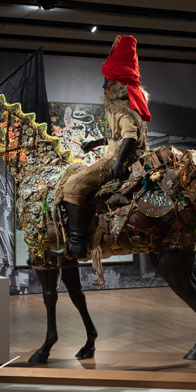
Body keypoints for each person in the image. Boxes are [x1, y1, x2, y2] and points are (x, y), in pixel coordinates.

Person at [50, 35, 151, 259]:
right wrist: (95, 143)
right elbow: (119, 135)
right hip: (121, 153)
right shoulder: (130, 101)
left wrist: (118, 161)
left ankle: (76, 245)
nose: (105, 84)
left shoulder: (120, 104)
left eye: (108, 79)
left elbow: (130, 135)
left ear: (115, 81)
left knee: (74, 186)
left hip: (117, 158)